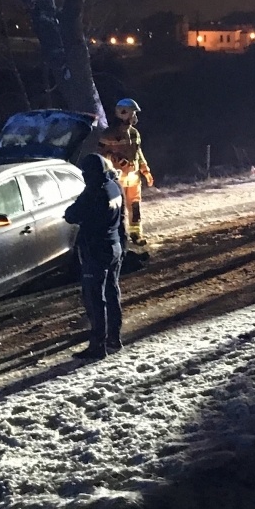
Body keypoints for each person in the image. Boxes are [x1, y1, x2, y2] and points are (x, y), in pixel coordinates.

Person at [64, 152, 125, 360]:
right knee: (112, 292)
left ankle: (98, 345)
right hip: (114, 245)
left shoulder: (93, 193)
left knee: (95, 299)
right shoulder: (114, 187)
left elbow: (71, 214)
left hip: (95, 250)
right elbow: (122, 217)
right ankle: (114, 338)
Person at [98, 98, 154, 245]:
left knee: (135, 206)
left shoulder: (135, 133)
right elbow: (101, 154)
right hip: (118, 177)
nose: (134, 117)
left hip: (133, 175)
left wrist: (145, 170)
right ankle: (120, 235)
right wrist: (116, 159)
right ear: (123, 113)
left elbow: (138, 153)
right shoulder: (108, 134)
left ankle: (136, 234)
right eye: (132, 113)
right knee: (119, 208)